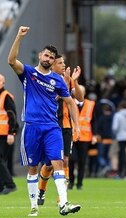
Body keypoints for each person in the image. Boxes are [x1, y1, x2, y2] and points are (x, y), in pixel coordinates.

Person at [8, 26, 81, 216]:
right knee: (33, 167)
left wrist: (77, 126)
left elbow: (71, 102)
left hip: (51, 128)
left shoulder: (57, 81)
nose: (48, 59)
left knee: (58, 162)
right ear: (40, 55)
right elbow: (11, 61)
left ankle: (63, 203)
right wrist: (19, 37)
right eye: (46, 55)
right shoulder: (29, 73)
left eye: (51, 57)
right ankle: (33, 205)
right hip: (32, 127)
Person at [37, 54, 84, 205]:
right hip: (50, 126)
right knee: (50, 164)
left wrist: (74, 81)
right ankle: (41, 190)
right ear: (52, 65)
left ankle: (62, 198)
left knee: (64, 161)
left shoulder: (67, 79)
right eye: (60, 63)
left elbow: (80, 98)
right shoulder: (45, 81)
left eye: (64, 62)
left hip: (65, 127)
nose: (63, 65)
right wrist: (65, 81)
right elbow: (55, 97)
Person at [69, 85, 97, 190]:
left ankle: (79, 183)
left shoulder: (90, 104)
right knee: (71, 160)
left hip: (85, 137)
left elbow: (93, 121)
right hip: (72, 136)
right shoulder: (69, 102)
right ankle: (71, 181)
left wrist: (94, 135)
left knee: (82, 161)